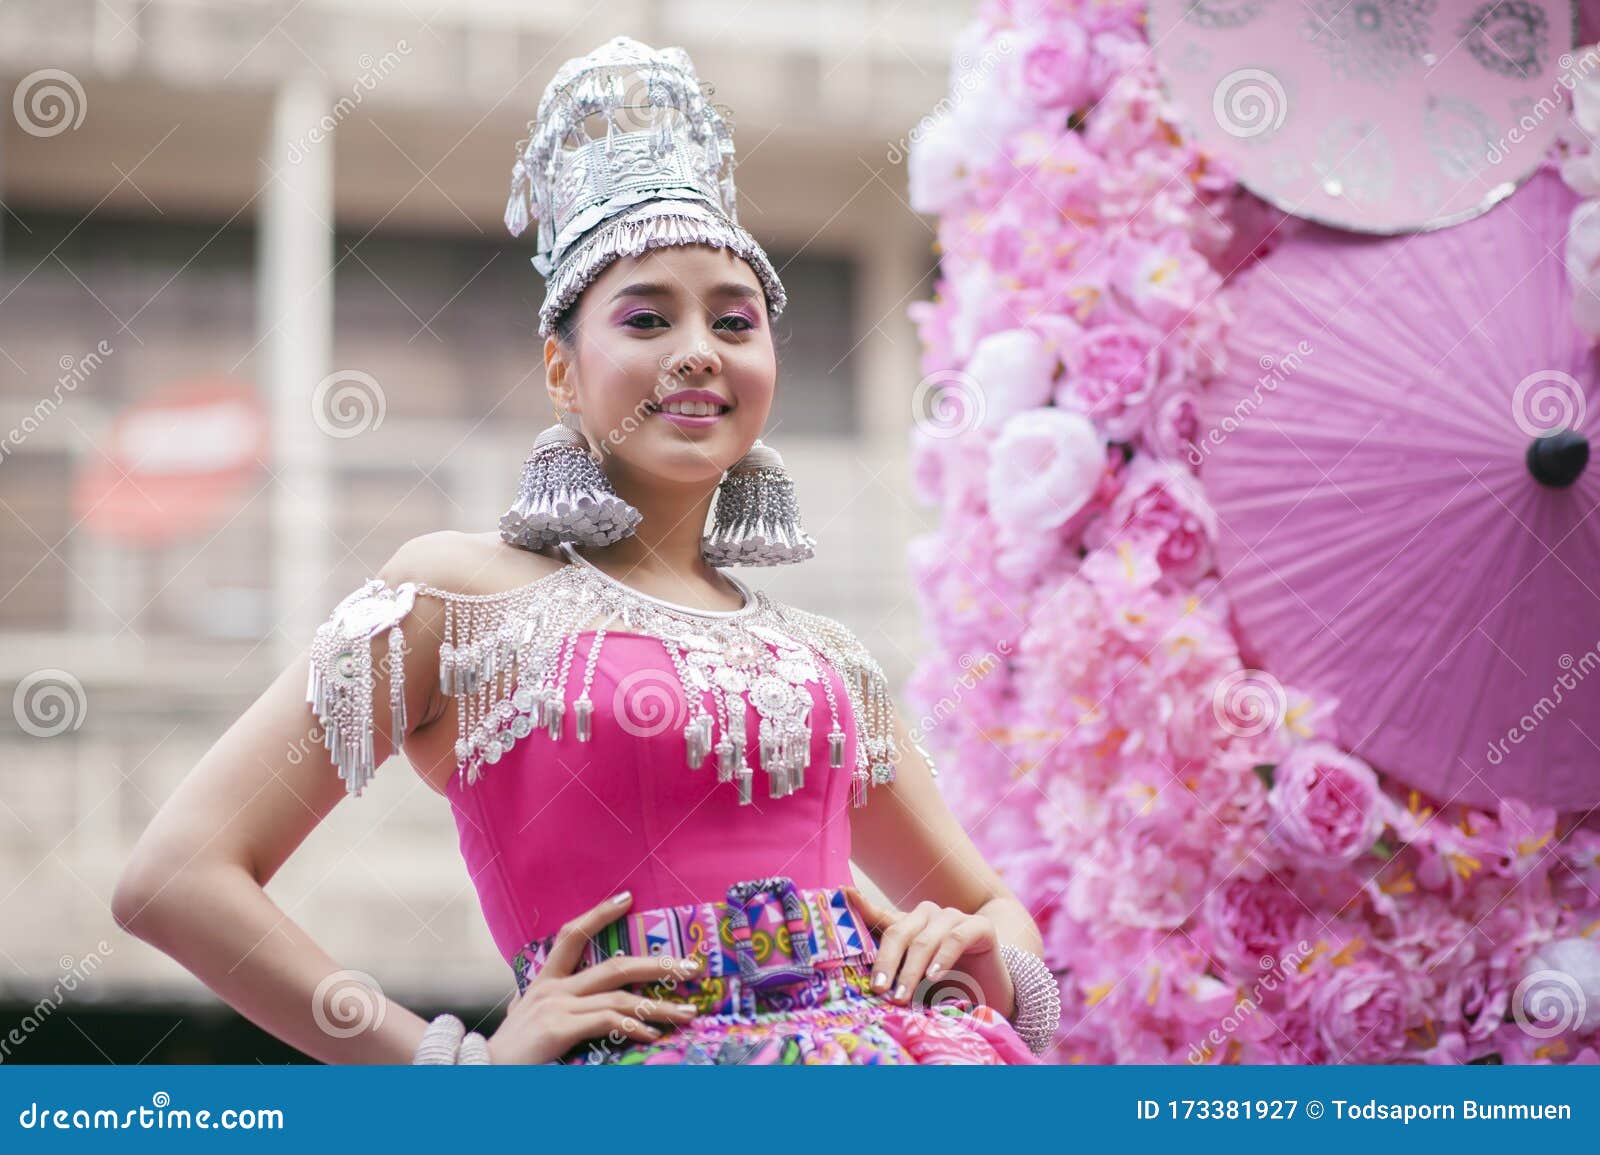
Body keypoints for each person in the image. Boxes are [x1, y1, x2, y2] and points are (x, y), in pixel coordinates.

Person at [112, 35, 1060, 1066]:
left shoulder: (827, 662)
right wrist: (450, 1074)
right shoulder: (457, 596)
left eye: (734, 321)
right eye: (648, 317)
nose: (698, 348)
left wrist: (976, 952)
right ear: (562, 370)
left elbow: (992, 908)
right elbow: (175, 880)